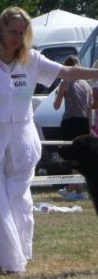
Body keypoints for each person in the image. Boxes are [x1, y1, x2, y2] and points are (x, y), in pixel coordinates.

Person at [0, 6, 98, 276]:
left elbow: (66, 72)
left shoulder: (32, 60)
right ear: (0, 30)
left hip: (23, 137)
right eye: (13, 31)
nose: (17, 37)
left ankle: (16, 257)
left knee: (18, 199)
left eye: (22, 32)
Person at [53, 55, 93, 200]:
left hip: (70, 121)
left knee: (71, 154)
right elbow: (89, 110)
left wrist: (59, 93)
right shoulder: (87, 85)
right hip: (83, 122)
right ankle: (76, 187)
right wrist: (88, 129)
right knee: (81, 156)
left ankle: (73, 187)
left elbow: (56, 106)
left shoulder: (66, 81)